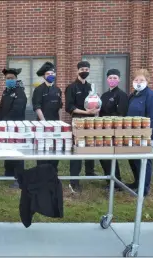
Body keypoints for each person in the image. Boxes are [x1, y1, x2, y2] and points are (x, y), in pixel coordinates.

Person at [126, 69, 153, 196]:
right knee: (132, 159)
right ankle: (137, 182)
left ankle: (144, 188)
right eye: (136, 80)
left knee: (144, 161)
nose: (138, 82)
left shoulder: (151, 97)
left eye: (141, 80)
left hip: (145, 135)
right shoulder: (133, 95)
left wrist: (149, 137)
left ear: (147, 81)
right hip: (133, 133)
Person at [65, 61, 99, 193]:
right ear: (77, 71)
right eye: (82, 69)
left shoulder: (91, 87)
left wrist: (96, 109)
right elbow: (69, 107)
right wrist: (85, 112)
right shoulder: (71, 88)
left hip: (90, 121)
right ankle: (74, 181)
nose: (85, 71)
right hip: (78, 121)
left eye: (87, 69)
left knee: (90, 147)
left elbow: (95, 101)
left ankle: (90, 172)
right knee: (77, 151)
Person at [99, 69, 128, 190]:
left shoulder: (122, 95)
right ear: (107, 79)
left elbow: (121, 113)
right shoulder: (104, 95)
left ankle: (116, 182)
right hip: (102, 129)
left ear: (119, 79)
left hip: (113, 129)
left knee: (111, 155)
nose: (112, 80)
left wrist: (108, 121)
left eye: (115, 78)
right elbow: (99, 111)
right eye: (110, 78)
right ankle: (108, 178)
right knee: (102, 155)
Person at [0, 68, 27, 188]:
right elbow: (1, 107)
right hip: (5, 126)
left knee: (17, 152)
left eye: (12, 78)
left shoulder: (20, 92)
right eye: (7, 78)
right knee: (7, 148)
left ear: (16, 79)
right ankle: (8, 172)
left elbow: (17, 109)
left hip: (16, 126)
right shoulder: (6, 91)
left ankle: (18, 178)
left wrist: (5, 121)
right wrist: (0, 122)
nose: (9, 80)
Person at [32, 62, 63, 174]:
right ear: (44, 76)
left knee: (55, 148)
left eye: (52, 73)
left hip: (55, 124)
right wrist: (43, 121)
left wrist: (60, 121)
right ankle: (42, 172)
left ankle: (53, 171)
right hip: (43, 123)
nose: (50, 75)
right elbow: (37, 106)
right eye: (48, 73)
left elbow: (60, 107)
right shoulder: (39, 89)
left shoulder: (58, 90)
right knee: (42, 149)